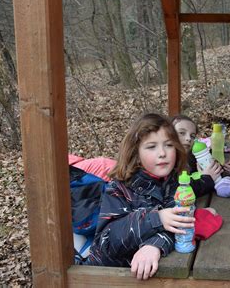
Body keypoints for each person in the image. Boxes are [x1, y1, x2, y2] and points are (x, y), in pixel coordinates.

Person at [84, 113, 208, 280]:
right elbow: (106, 242)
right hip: (103, 276)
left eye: (169, 145)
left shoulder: (174, 183)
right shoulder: (119, 188)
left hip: (144, 277)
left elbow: (178, 224)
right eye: (151, 147)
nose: (162, 153)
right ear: (136, 153)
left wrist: (154, 245)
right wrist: (156, 219)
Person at [171, 114, 223, 184]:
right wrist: (206, 178)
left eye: (192, 136)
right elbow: (179, 190)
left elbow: (207, 167)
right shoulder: (166, 164)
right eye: (182, 133)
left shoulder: (191, 157)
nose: (188, 138)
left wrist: (218, 167)